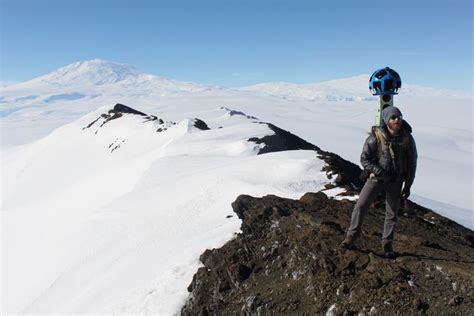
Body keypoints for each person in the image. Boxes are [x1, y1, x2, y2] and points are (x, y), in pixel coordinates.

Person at [340, 106, 417, 258]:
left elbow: (412, 161)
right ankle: (351, 237)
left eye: (399, 117)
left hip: (396, 179)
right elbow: (364, 159)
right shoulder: (376, 136)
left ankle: (387, 244)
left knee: (392, 212)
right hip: (376, 178)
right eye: (393, 118)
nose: (397, 120)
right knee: (360, 206)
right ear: (387, 120)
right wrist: (380, 172)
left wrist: (408, 184)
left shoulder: (407, 138)